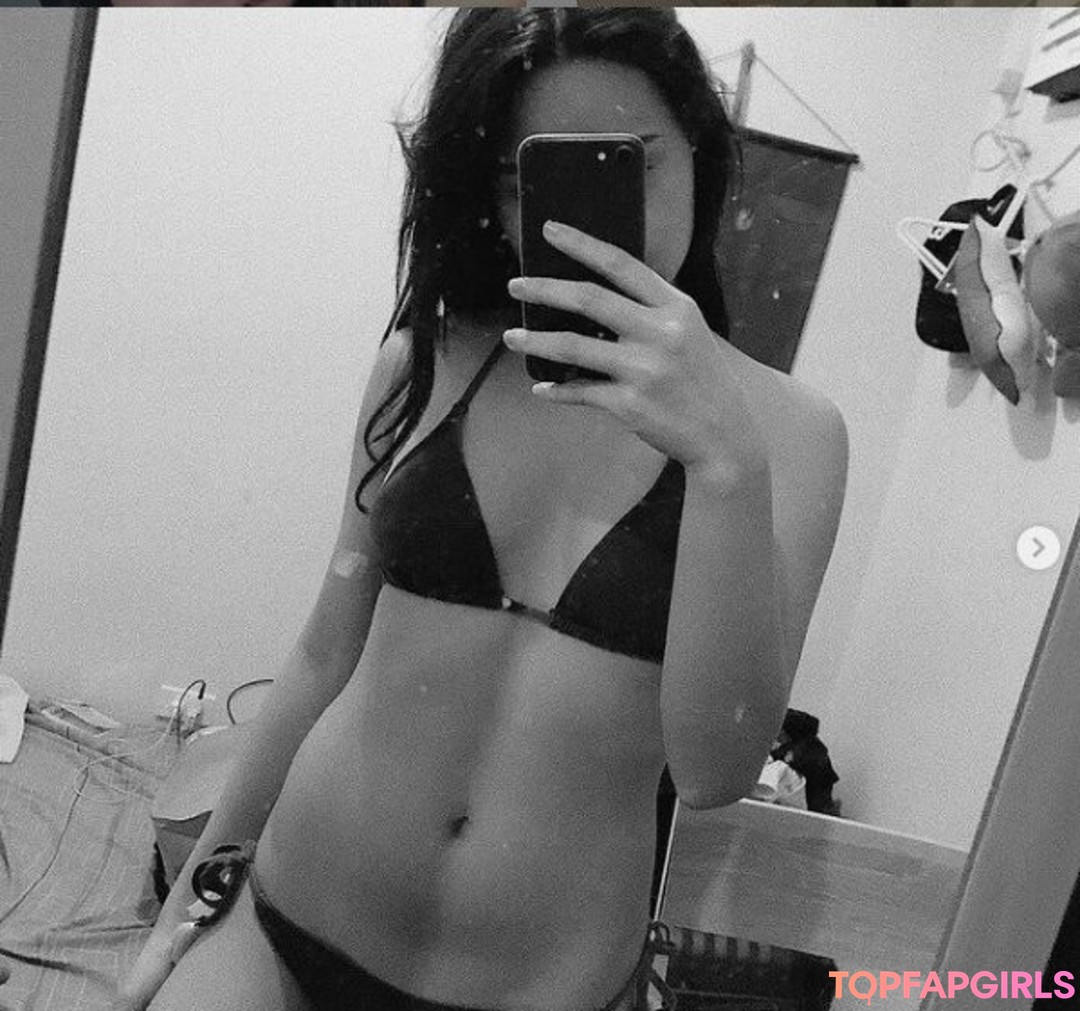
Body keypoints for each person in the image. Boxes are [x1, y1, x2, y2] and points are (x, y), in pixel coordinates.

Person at [120, 9, 848, 1011]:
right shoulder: (427, 361)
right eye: (527, 178)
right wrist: (192, 900)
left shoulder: (791, 435)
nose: (584, 223)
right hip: (284, 924)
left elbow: (715, 768)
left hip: (536, 989)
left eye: (628, 165)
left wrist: (724, 465)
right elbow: (325, 653)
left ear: (701, 153)